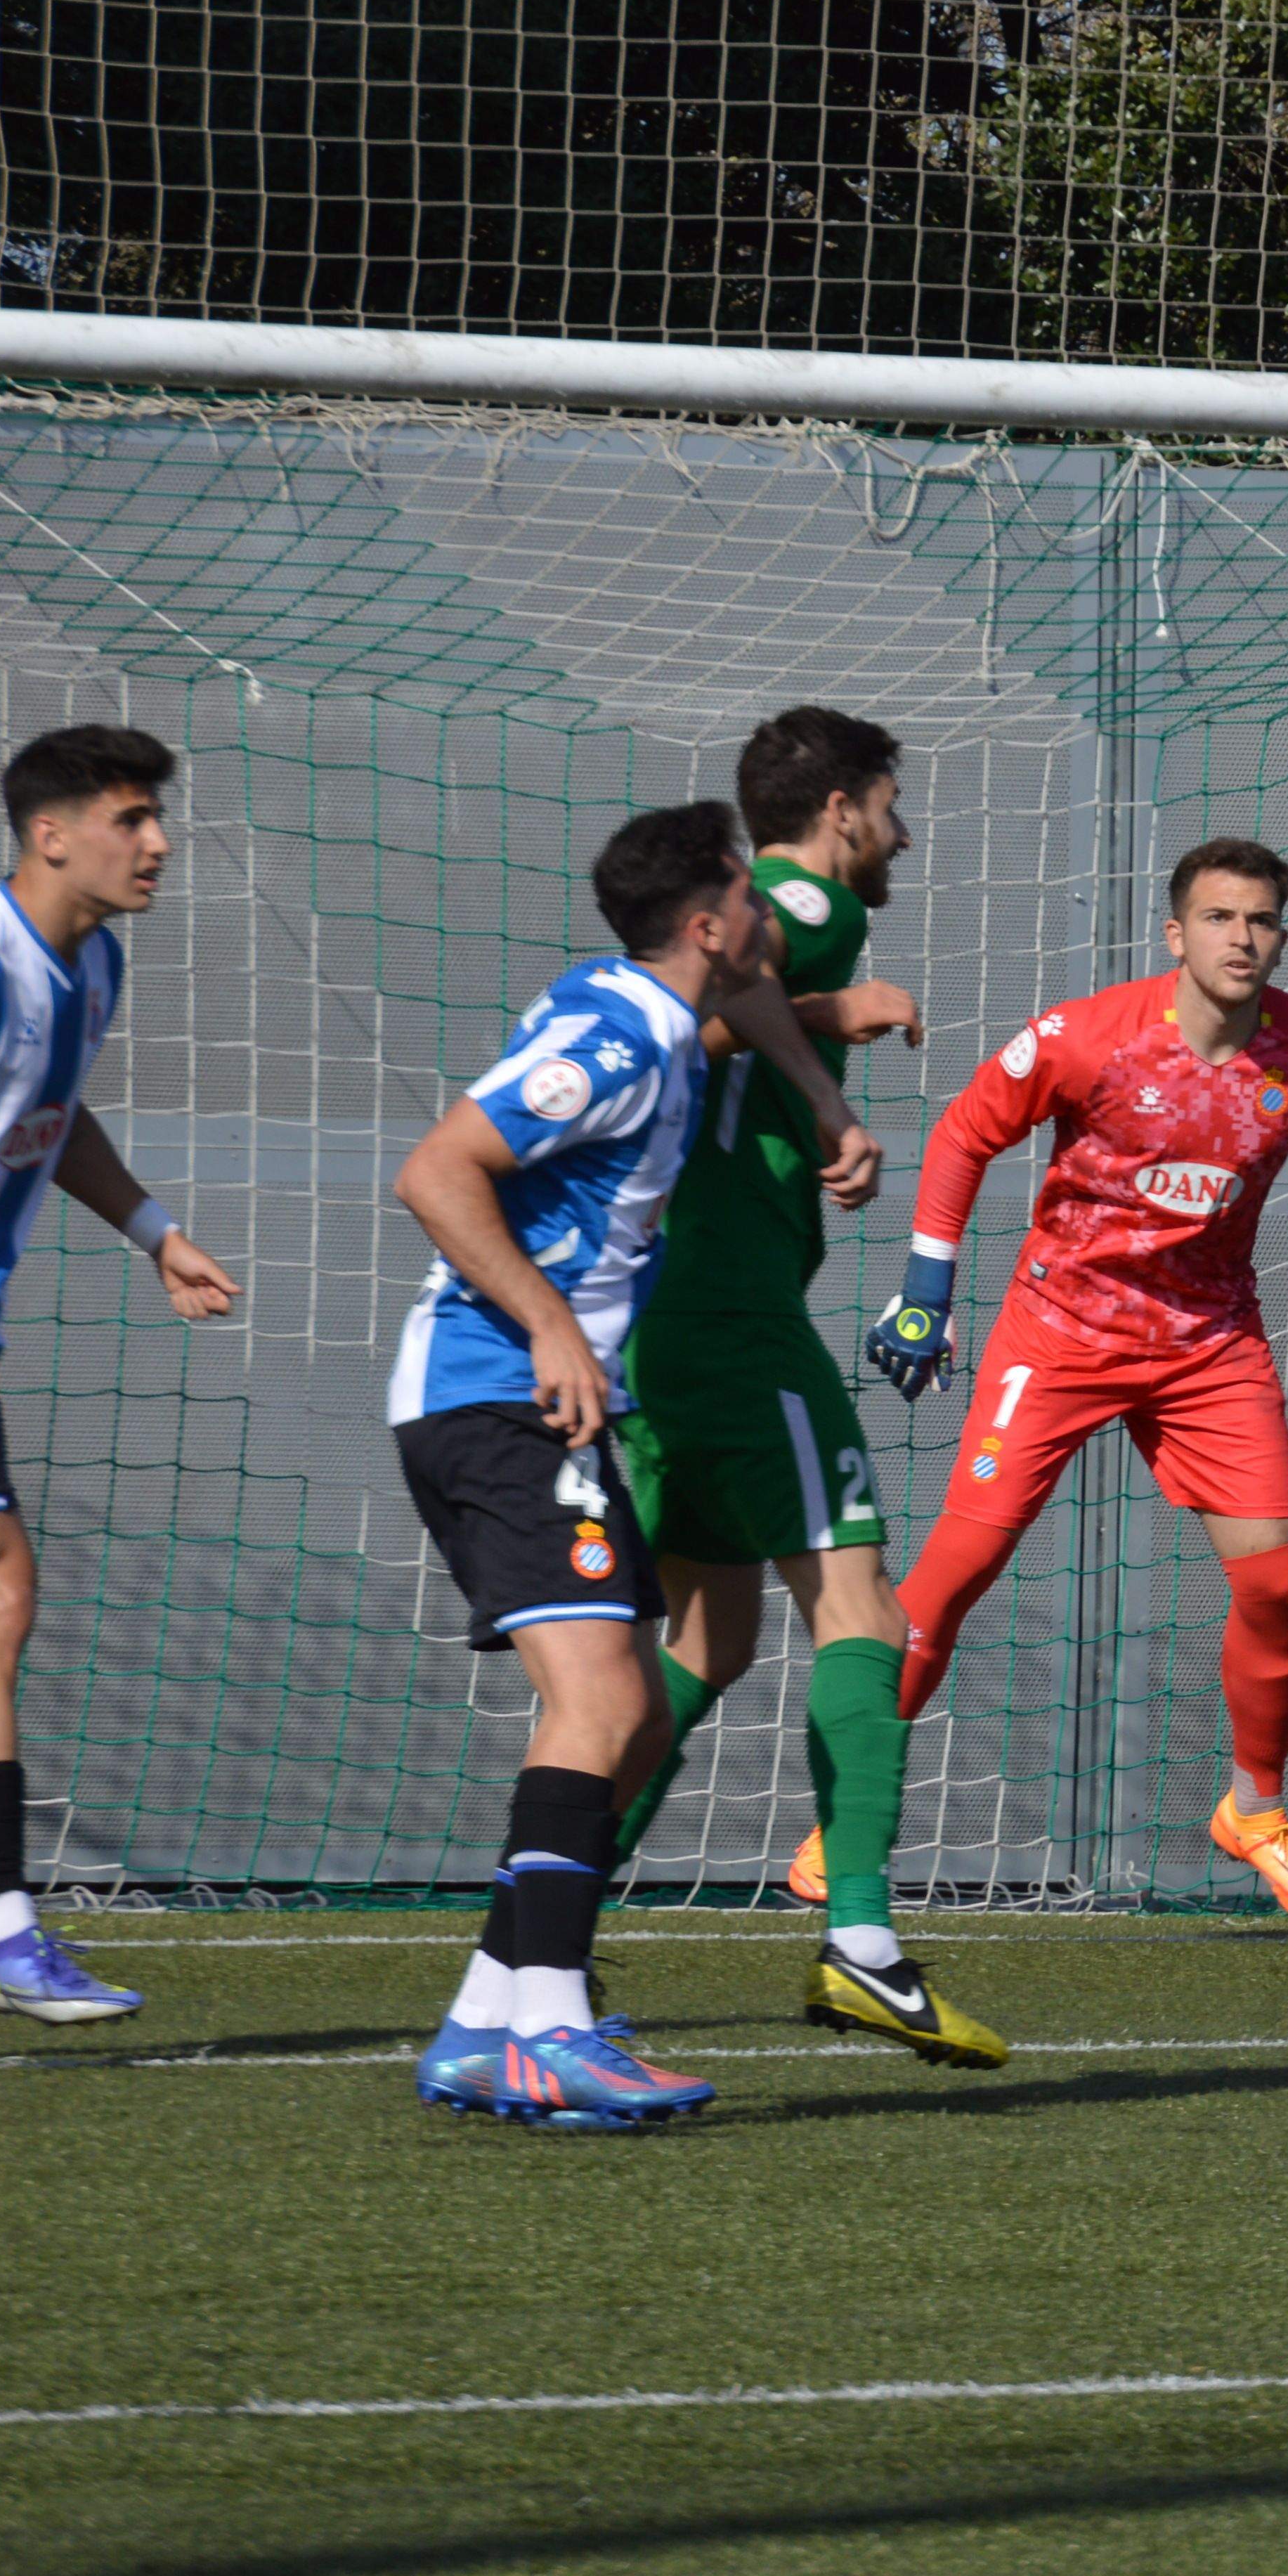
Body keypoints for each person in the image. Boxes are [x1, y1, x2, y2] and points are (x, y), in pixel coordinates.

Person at [394, 801, 835, 2126]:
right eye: (749, 898)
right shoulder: (622, 1039)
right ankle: (552, 2027)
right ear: (706, 925)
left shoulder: (645, 1004)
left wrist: (825, 1090)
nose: (767, 915)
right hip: (499, 1400)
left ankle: (487, 2023)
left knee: (632, 1710)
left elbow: (745, 1003)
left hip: (543, 1409)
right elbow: (437, 1170)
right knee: (598, 1706)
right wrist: (548, 1327)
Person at [859, 835, 1288, 1927]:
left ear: (1282, 936)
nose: (1242, 938)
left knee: (1278, 1584)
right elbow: (963, 1136)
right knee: (957, 1570)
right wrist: (926, 1292)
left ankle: (1254, 1810)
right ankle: (851, 1810)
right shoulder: (1088, 1036)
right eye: (1220, 918)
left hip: (1209, 1345)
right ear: (1175, 933)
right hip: (1058, 1334)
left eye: (1261, 920)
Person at [607, 707, 1001, 2067]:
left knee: (708, 1641)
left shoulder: (775, 905)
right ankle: (866, 1947)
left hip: (679, 1316)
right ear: (842, 810)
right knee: (863, 1608)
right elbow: (694, 1010)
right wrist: (844, 1020)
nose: (904, 835)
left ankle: (546, 1918)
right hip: (733, 1315)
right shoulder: (803, 901)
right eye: (891, 806)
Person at [0, 728, 240, 2025]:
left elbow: (50, 1108)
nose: (159, 843)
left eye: (157, 818)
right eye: (131, 819)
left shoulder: (91, 966)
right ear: (51, 835)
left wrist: (154, 1231)